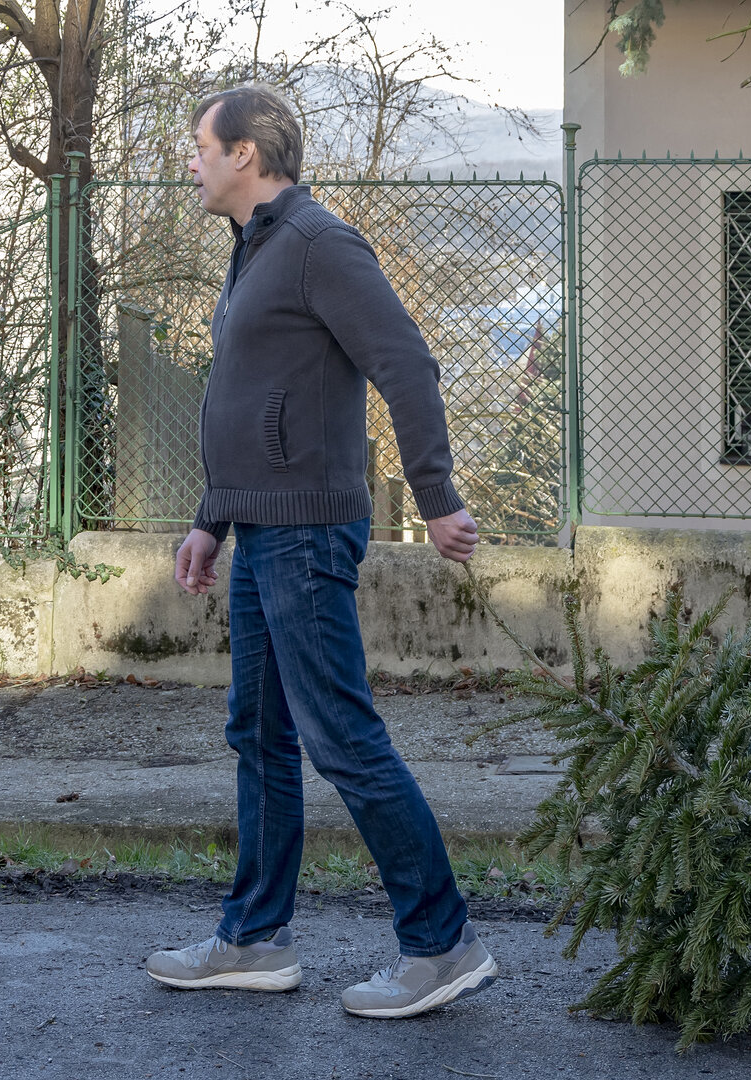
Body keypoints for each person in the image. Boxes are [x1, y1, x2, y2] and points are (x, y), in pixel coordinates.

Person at [144, 84, 497, 1019]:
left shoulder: (316, 245)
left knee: (341, 738)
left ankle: (441, 942)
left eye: (200, 146)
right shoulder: (254, 252)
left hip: (305, 534)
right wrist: (210, 519)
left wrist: (436, 501)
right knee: (258, 736)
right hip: (261, 528)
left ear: (246, 156)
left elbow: (405, 363)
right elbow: (254, 402)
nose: (192, 160)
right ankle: (253, 939)